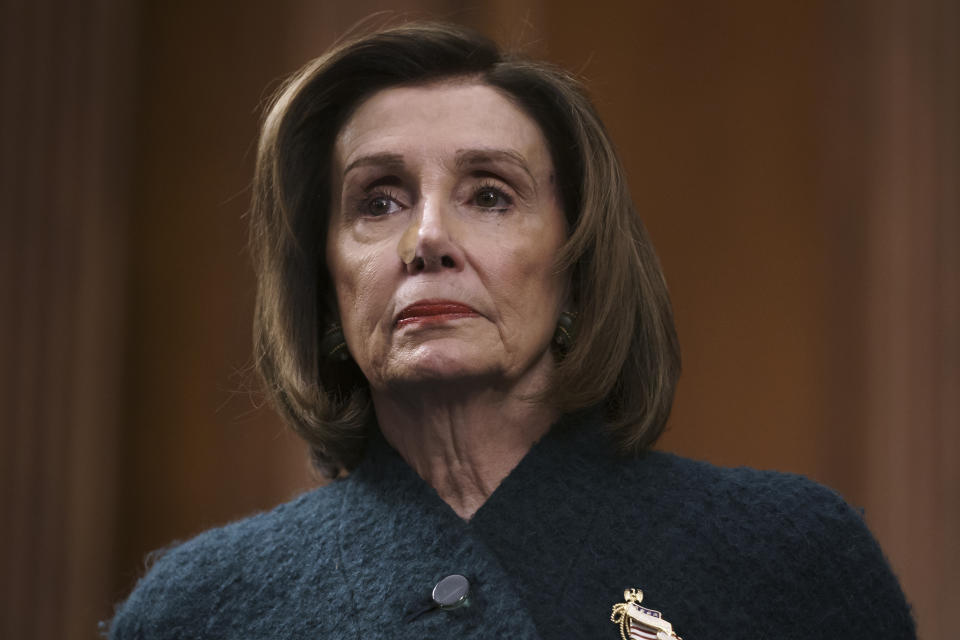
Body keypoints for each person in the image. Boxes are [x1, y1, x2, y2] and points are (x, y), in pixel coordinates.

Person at [108, 22, 915, 639]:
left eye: (490, 194)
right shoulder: (199, 608)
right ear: (325, 287)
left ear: (577, 263)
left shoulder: (789, 561)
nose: (425, 238)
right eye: (378, 200)